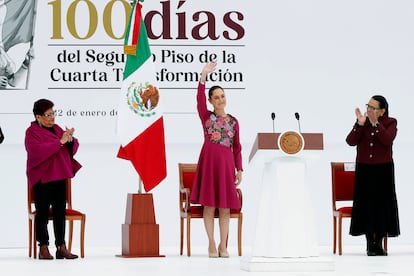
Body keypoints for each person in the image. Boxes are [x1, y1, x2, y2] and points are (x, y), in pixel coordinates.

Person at [190, 61, 243, 258]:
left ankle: (223, 245)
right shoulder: (206, 117)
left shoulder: (234, 121)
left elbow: (237, 147)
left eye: (222, 96)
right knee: (209, 206)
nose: (220, 100)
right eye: (216, 97)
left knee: (225, 208)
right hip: (209, 164)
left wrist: (239, 169)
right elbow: (198, 100)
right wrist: (203, 75)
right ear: (211, 101)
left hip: (226, 166)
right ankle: (211, 243)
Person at [25, 99, 80, 260]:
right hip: (42, 179)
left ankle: (61, 246)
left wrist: (70, 140)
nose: (52, 117)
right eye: (48, 114)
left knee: (59, 212)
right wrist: (60, 142)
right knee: (42, 213)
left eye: (53, 113)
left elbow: (71, 147)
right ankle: (43, 247)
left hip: (59, 176)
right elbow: (37, 152)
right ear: (38, 117)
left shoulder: (56, 129)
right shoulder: (32, 132)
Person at [346, 95, 400, 256]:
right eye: (368, 106)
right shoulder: (363, 123)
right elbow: (350, 141)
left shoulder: (390, 122)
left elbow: (387, 140)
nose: (369, 110)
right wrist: (359, 124)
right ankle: (370, 244)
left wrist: (376, 124)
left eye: (373, 108)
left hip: (383, 169)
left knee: (383, 205)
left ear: (382, 111)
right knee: (366, 205)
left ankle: (379, 243)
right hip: (365, 169)